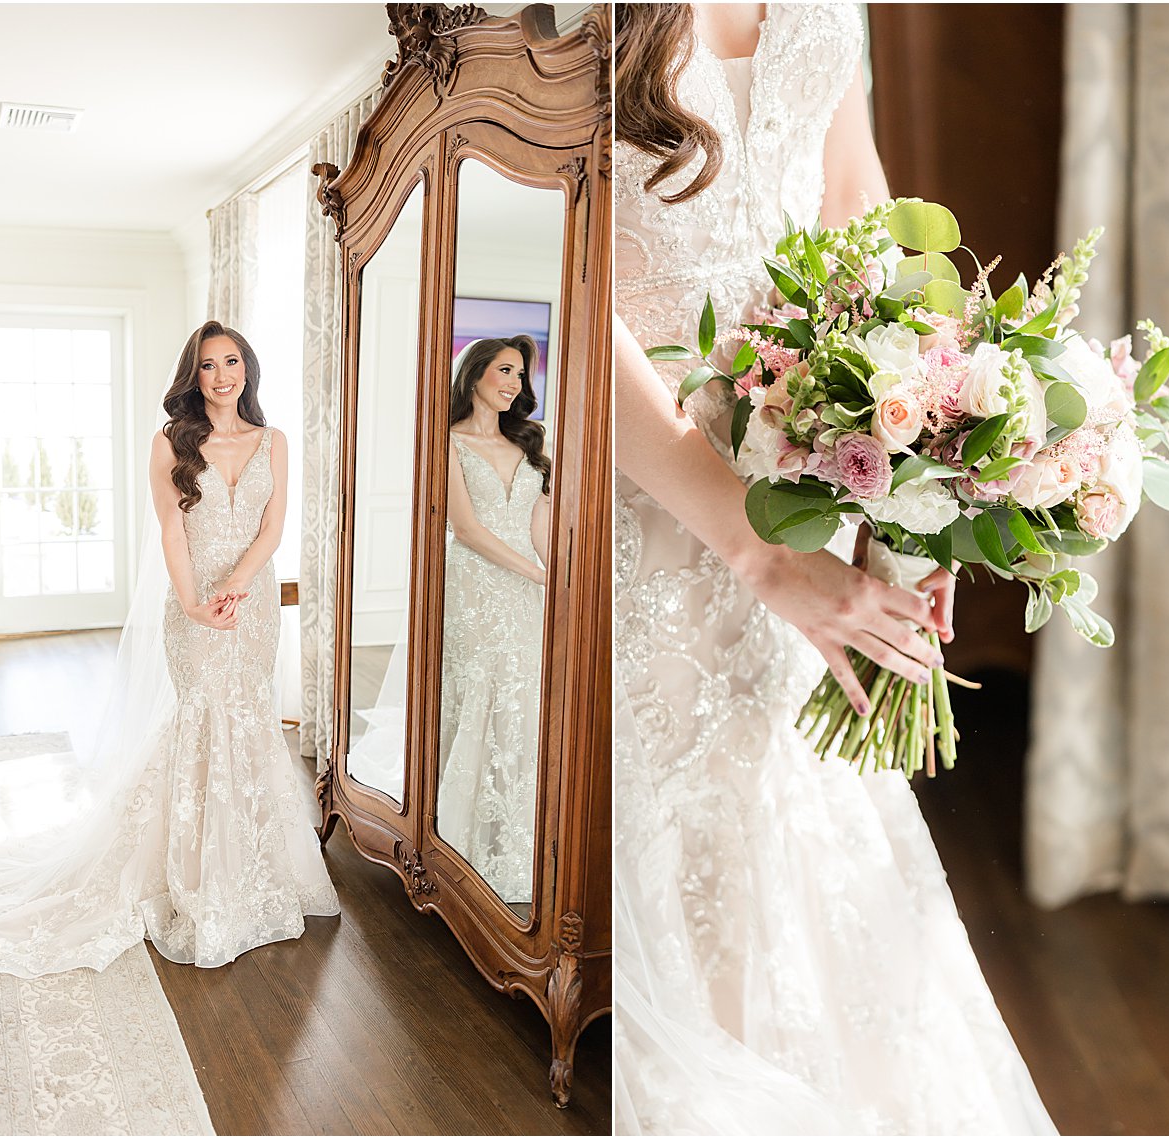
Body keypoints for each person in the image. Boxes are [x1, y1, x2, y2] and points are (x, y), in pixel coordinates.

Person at [611, 5, 1056, 1133]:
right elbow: (568, 309)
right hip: (644, 505)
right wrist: (755, 549)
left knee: (794, 821)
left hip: (806, 476)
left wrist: (906, 505)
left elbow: (860, 220)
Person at [0, 320, 339, 976]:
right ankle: (195, 875)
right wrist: (197, 598)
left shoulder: (273, 441)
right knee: (202, 716)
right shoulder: (170, 442)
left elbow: (274, 526)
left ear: (247, 368)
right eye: (208, 365)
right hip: (193, 604)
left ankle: (254, 865)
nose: (223, 374)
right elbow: (173, 529)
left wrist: (237, 585)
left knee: (249, 718)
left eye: (232, 361)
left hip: (250, 607)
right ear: (192, 376)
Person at [435, 336, 551, 903]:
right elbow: (467, 529)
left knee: (519, 700)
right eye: (504, 371)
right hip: (477, 582)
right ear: (475, 373)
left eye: (521, 375)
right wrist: (534, 574)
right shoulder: (448, 442)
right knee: (478, 689)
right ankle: (458, 835)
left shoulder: (532, 444)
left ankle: (511, 834)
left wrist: (553, 572)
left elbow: (536, 522)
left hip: (527, 583)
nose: (514, 383)